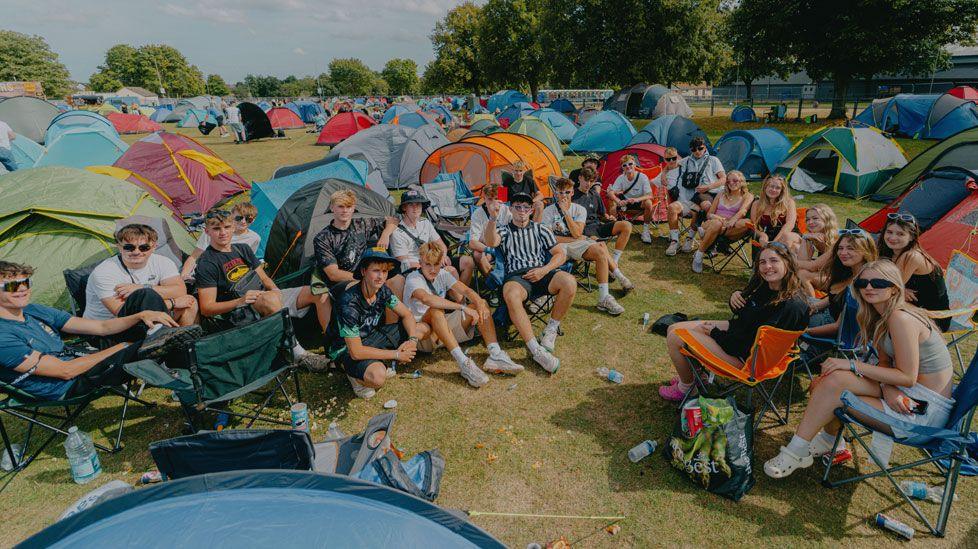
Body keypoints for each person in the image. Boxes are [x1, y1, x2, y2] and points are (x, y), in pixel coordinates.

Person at [763, 260, 955, 478]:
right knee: (824, 382)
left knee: (834, 385)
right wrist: (888, 388)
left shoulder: (901, 318)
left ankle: (796, 451)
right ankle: (826, 441)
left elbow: (908, 376)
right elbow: (885, 363)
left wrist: (852, 364)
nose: (869, 288)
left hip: (920, 411)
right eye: (863, 282)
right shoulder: (877, 316)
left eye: (878, 282)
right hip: (904, 393)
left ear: (894, 287)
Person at [0, 260, 191, 401]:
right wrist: (122, 348)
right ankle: (193, 389)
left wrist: (140, 316)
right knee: (164, 343)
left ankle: (186, 373)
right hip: (69, 385)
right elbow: (65, 371)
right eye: (12, 285)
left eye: (26, 283)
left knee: (146, 301)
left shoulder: (33, 310)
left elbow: (101, 327)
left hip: (83, 363)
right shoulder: (3, 337)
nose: (22, 289)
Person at [659, 243, 810, 402]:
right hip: (741, 338)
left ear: (788, 263)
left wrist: (714, 333)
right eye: (762, 262)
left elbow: (743, 345)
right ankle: (699, 375)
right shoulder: (767, 285)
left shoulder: (789, 306)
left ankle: (687, 388)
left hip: (746, 361)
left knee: (675, 337)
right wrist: (735, 297)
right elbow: (744, 315)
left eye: (774, 261)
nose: (768, 267)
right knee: (674, 327)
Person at [194, 209, 329, 371]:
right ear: (207, 231)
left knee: (318, 292)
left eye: (227, 227)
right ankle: (298, 354)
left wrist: (275, 289)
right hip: (241, 310)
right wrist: (240, 301)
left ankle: (332, 344)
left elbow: (264, 278)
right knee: (270, 299)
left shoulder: (242, 249)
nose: (223, 232)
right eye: (216, 229)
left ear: (233, 227)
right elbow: (207, 308)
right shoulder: (206, 263)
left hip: (265, 296)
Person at [481, 192, 578, 373]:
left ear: (531, 210)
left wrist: (544, 270)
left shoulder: (540, 229)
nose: (522, 211)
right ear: (511, 209)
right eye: (518, 207)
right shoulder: (504, 229)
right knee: (511, 294)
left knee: (569, 282)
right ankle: (536, 349)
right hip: (517, 277)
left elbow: (560, 253)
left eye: (526, 207)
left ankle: (550, 330)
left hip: (541, 272)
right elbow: (491, 241)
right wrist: (493, 218)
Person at [405, 243, 523, 387]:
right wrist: (462, 307)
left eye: (436, 264)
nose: (432, 269)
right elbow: (427, 299)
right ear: (420, 263)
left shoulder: (442, 274)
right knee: (436, 310)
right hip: (422, 334)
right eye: (428, 264)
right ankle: (464, 363)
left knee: (482, 303)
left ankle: (495, 354)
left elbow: (466, 291)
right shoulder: (413, 278)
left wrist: (478, 302)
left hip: (441, 327)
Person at [325, 248, 423, 399]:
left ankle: (376, 361)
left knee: (421, 329)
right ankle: (355, 378)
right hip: (345, 349)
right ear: (363, 271)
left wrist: (412, 340)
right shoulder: (349, 304)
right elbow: (356, 351)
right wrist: (396, 355)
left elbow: (407, 314)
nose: (381, 276)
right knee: (377, 377)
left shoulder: (382, 290)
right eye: (376, 270)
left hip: (370, 337)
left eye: (384, 271)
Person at [84, 224, 198, 345]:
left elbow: (180, 290)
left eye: (144, 247)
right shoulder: (104, 271)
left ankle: (184, 349)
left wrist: (142, 287)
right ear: (119, 246)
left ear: (154, 247)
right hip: (111, 328)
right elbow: (121, 313)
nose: (136, 252)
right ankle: (163, 345)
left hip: (147, 319)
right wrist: (172, 302)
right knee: (145, 294)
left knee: (190, 302)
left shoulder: (162, 262)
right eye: (129, 247)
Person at [542, 178, 631, 315]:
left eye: (567, 192)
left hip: (575, 245)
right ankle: (618, 276)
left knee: (600, 249)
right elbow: (549, 238)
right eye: (560, 192)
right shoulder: (548, 211)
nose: (564, 195)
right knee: (598, 244)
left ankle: (604, 297)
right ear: (556, 194)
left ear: (572, 193)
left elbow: (577, 232)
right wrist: (572, 238)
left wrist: (566, 213)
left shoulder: (579, 209)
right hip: (557, 247)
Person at [312, 189, 401, 323]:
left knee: (397, 280)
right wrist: (364, 278)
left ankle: (390, 326)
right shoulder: (323, 238)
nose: (345, 210)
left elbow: (393, 220)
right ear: (332, 208)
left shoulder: (362, 224)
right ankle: (354, 333)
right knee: (360, 287)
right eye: (340, 206)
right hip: (341, 283)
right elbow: (333, 274)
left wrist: (385, 234)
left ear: (354, 208)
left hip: (367, 274)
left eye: (348, 206)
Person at [878, 213, 950, 331]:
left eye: (900, 234)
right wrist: (901, 289)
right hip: (909, 307)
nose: (892, 237)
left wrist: (898, 289)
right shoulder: (890, 252)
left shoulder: (911, 256)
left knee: (874, 299)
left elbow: (888, 288)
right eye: (889, 232)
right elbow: (887, 283)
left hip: (933, 317)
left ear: (911, 237)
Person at [390, 190, 474, 288]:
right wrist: (434, 267)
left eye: (418, 204)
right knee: (451, 271)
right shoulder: (397, 232)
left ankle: (459, 298)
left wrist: (442, 256)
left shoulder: (425, 222)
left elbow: (441, 245)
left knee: (468, 261)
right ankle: (458, 300)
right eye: (410, 205)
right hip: (414, 269)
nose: (415, 208)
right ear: (404, 208)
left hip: (433, 261)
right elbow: (404, 262)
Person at [804, 230, 878, 338]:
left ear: (866, 251)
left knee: (790, 313)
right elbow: (834, 297)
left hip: (828, 325)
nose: (843, 253)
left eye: (850, 248)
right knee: (792, 302)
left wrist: (805, 332)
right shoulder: (847, 272)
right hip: (827, 311)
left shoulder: (864, 283)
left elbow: (839, 327)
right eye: (840, 248)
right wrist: (814, 307)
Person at [691, 170, 754, 273]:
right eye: (728, 181)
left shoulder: (747, 196)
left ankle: (706, 235)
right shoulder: (721, 194)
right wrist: (719, 219)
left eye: (735, 180)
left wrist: (732, 220)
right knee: (716, 224)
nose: (731, 183)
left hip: (729, 227)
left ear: (742, 181)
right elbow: (709, 214)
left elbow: (743, 211)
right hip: (712, 222)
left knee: (746, 222)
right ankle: (699, 256)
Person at [181, 202, 261, 280]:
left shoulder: (255, 238)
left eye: (248, 219)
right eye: (238, 218)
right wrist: (184, 275)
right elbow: (194, 256)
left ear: (253, 220)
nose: (243, 222)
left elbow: (247, 263)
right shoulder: (213, 232)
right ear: (231, 216)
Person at [572, 166, 633, 264]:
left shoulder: (594, 194)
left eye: (591, 181)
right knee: (600, 244)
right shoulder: (572, 196)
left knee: (627, 225)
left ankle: (615, 261)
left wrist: (609, 218)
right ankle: (612, 269)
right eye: (586, 180)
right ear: (580, 178)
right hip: (584, 230)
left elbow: (602, 214)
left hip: (598, 226)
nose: (588, 184)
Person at [607, 155, 656, 244]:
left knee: (648, 202)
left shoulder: (642, 177)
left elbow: (650, 195)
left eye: (630, 164)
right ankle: (614, 229)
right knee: (611, 200)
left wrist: (637, 199)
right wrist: (618, 201)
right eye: (624, 165)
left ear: (635, 165)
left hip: (639, 203)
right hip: (625, 203)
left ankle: (645, 231)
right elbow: (611, 193)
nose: (628, 167)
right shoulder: (621, 178)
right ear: (622, 168)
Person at [468, 182, 511, 275]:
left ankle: (510, 275)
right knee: (477, 254)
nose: (493, 202)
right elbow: (472, 243)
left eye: (496, 198)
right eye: (490, 199)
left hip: (506, 247)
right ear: (484, 199)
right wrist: (489, 250)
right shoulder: (478, 214)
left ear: (501, 199)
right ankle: (492, 278)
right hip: (488, 247)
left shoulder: (506, 210)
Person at [749, 174, 799, 249]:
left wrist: (774, 242)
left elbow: (789, 225)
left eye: (778, 188)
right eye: (771, 186)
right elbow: (753, 227)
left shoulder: (789, 203)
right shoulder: (756, 204)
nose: (774, 190)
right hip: (765, 236)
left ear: (782, 191)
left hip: (786, 236)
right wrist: (762, 235)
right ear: (765, 187)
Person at [794, 204, 838, 274]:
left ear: (826, 219)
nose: (810, 222)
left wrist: (786, 262)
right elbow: (802, 262)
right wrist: (805, 239)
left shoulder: (837, 240)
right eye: (808, 219)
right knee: (801, 273)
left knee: (802, 274)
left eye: (815, 218)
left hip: (841, 277)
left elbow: (812, 266)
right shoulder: (813, 237)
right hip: (826, 274)